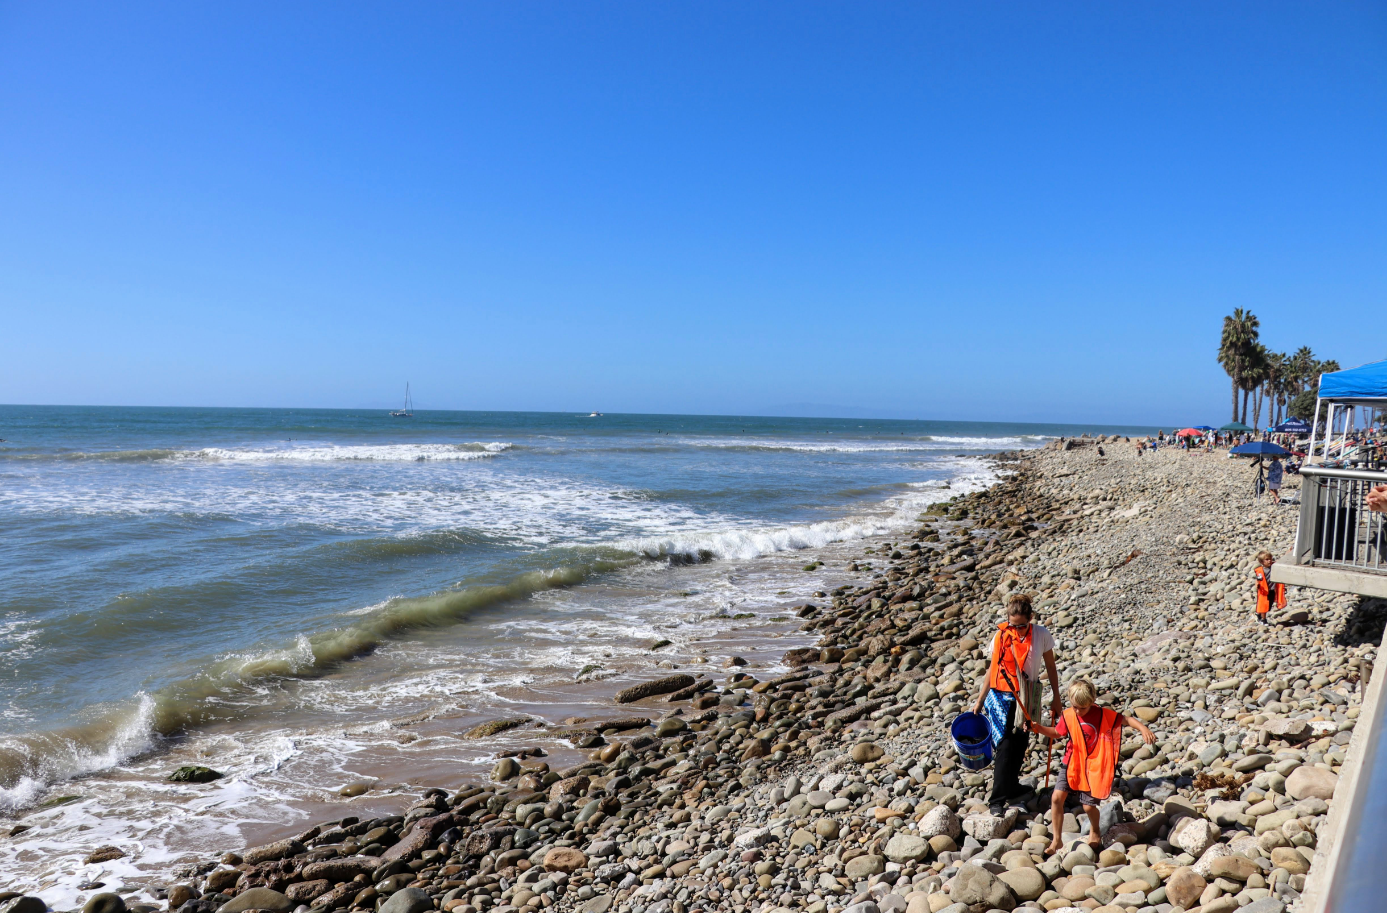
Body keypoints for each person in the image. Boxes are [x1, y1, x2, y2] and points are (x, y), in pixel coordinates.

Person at [1028, 679, 1156, 853]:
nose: (1078, 711)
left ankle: (1094, 830)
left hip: (1093, 766)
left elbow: (1126, 720)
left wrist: (1143, 729)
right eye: (1074, 706)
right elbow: (1057, 733)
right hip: (1071, 762)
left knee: (1088, 806)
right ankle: (1056, 840)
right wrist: (1038, 728)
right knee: (1057, 798)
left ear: (1092, 702)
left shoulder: (1102, 714)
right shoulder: (1068, 715)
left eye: (1082, 708)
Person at [971, 593, 1061, 814]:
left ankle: (1011, 787)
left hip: (1028, 693)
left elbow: (1050, 667)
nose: (1018, 630)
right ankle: (997, 801)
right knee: (1005, 746)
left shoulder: (1041, 635)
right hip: (1001, 695)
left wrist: (1057, 698)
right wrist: (980, 700)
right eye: (1014, 625)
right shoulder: (1000, 636)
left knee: (1021, 742)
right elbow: (992, 669)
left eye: (1022, 626)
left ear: (1030, 618)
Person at [1253, 550, 1285, 624]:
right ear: (1262, 562)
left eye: (1270, 559)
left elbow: (1281, 561)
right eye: (1267, 559)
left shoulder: (1274, 566)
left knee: (1269, 605)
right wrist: (1257, 584)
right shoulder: (1261, 571)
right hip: (1264, 591)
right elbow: (1258, 579)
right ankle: (1263, 620)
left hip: (1272, 590)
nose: (1269, 561)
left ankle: (1258, 614)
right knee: (1264, 605)